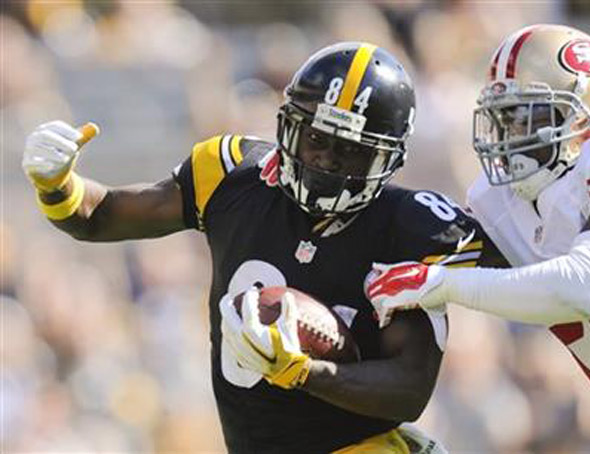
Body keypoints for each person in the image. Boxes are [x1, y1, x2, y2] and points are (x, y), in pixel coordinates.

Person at [21, 41, 505, 454]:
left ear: (391, 157)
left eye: (354, 151)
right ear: (286, 125)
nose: (328, 163)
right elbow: (99, 217)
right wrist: (57, 184)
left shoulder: (410, 227)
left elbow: (408, 389)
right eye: (316, 140)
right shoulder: (230, 175)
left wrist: (307, 372)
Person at [366, 24, 590, 453]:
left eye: (526, 118)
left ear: (588, 119)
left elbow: (587, 287)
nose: (510, 138)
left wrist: (443, 283)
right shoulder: (502, 203)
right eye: (502, 119)